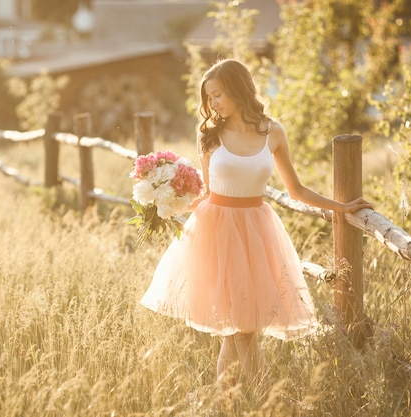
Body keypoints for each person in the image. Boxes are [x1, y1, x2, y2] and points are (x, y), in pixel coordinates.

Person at [139, 58, 373, 388]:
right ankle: (262, 401)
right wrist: (163, 202)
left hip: (256, 232)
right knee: (239, 330)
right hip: (215, 232)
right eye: (209, 98)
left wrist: (342, 206)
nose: (214, 104)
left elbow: (296, 189)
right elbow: (205, 193)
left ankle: (226, 404)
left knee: (238, 331)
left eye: (218, 94)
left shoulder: (272, 131)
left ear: (237, 89)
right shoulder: (209, 135)